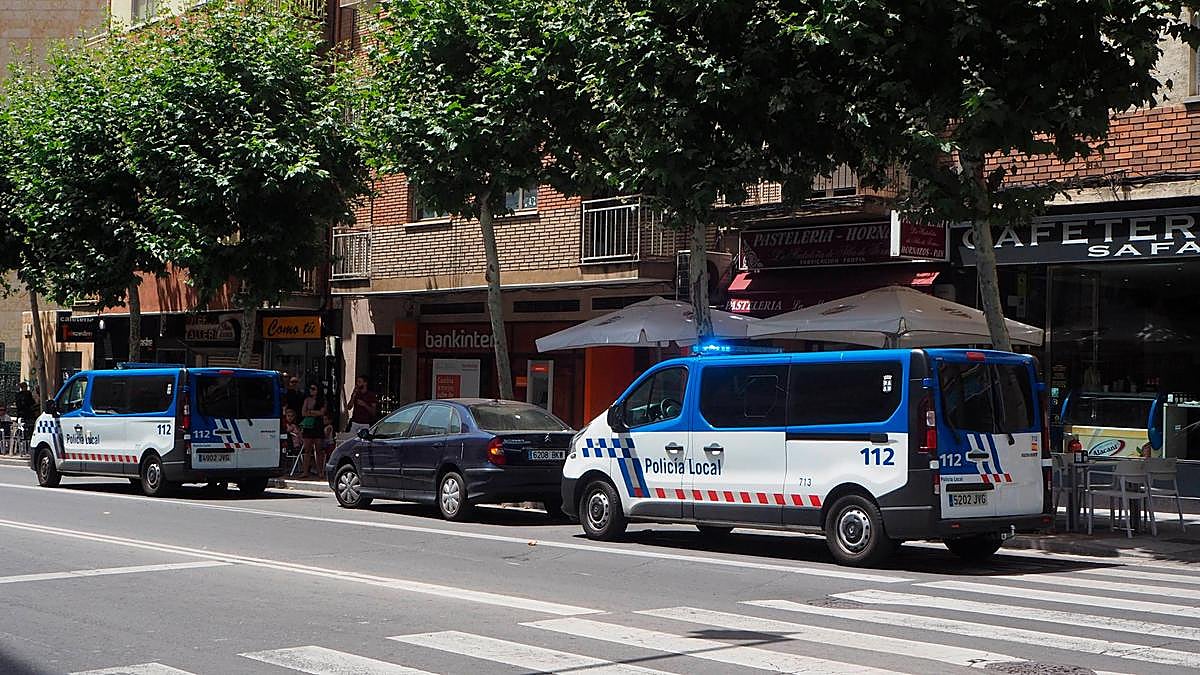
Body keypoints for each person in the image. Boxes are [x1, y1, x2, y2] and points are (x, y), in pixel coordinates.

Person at [298, 384, 326, 479]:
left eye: (313, 389)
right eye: (310, 388)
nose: (311, 390)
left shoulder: (322, 400)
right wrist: (314, 413)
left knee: (319, 450)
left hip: (318, 426)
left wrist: (310, 412)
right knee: (307, 450)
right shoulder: (307, 400)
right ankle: (305, 471)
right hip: (308, 426)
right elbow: (303, 413)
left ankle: (320, 472)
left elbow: (322, 412)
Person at [14, 381, 36, 454]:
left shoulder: (18, 395)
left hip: (21, 415)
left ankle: (20, 448)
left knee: (21, 432)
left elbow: (18, 405)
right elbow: (32, 403)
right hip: (28, 415)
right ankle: (26, 447)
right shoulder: (28, 394)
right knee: (28, 432)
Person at [318, 412, 335, 481]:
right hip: (327, 443)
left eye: (326, 419)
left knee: (328, 457)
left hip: (329, 444)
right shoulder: (326, 427)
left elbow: (327, 436)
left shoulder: (329, 427)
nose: (324, 421)